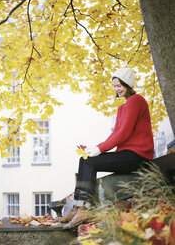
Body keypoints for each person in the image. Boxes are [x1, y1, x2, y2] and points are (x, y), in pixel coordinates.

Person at [60, 68, 154, 229]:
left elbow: (124, 132)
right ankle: (78, 207)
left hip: (138, 155)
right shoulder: (121, 108)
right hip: (126, 154)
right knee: (85, 159)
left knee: (90, 162)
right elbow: (116, 134)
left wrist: (100, 149)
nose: (117, 89)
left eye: (120, 85)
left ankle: (84, 209)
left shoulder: (137, 100)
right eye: (115, 86)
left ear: (128, 85)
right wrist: (95, 148)